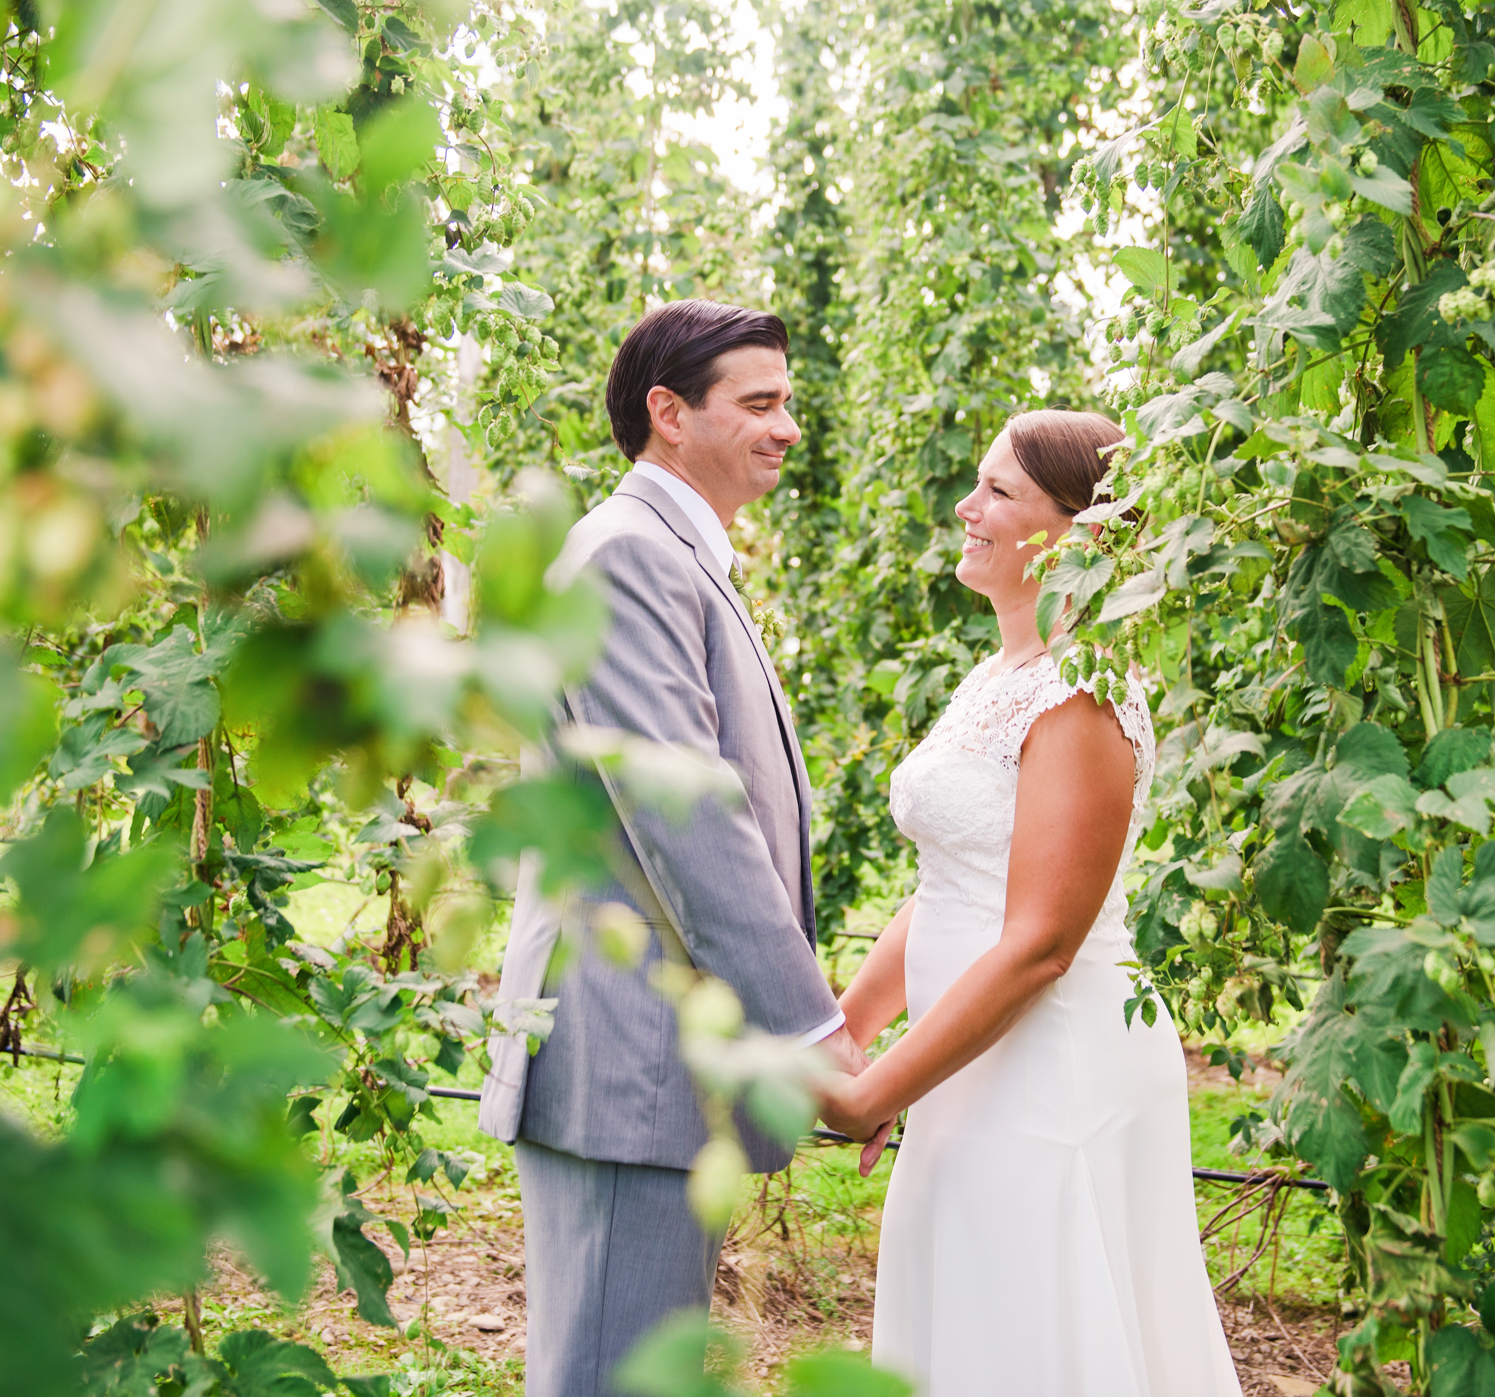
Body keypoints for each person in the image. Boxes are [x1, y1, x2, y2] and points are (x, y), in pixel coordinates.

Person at [478, 300, 870, 1397]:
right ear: (668, 413)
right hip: (625, 1056)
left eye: (788, 401)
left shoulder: (678, 554)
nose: (789, 426)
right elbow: (690, 817)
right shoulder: (627, 557)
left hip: (657, 1063)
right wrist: (813, 1030)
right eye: (760, 402)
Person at [817, 410, 1242, 1397]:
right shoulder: (998, 677)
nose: (967, 508)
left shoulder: (1081, 694)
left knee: (1035, 1335)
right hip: (968, 1056)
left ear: (1079, 532)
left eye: (1000, 493)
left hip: (1054, 1063)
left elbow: (1045, 938)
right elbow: (951, 883)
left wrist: (876, 1094)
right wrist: (851, 1027)